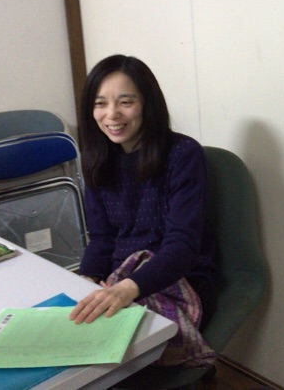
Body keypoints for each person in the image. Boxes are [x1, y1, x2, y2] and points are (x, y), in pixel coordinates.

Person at [69, 54, 219, 367]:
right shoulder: (96, 158)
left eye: (126, 102)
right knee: (71, 331)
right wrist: (87, 279)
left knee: (101, 354)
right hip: (120, 280)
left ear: (148, 104)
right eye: (100, 104)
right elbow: (102, 238)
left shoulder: (183, 154)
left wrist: (127, 290)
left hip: (178, 279)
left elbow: (182, 246)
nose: (112, 114)